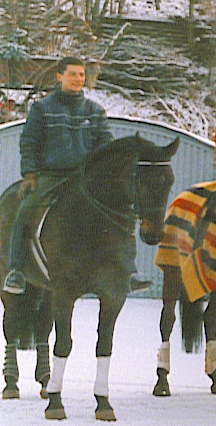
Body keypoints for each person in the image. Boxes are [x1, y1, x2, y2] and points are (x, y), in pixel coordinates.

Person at [3, 56, 150, 294]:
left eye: (81, 75)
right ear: (59, 76)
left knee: (122, 212)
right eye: (72, 74)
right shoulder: (42, 108)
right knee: (25, 210)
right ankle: (17, 271)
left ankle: (129, 270)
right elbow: (28, 143)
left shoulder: (95, 111)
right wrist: (30, 175)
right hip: (51, 176)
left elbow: (106, 147)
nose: (78, 79)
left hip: (85, 179)